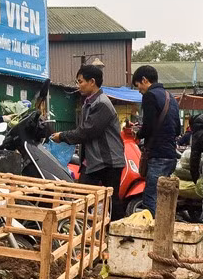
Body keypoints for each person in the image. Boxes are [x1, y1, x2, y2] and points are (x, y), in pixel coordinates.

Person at [50, 64, 125, 219]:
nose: (79, 86)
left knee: (112, 200)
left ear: (92, 81)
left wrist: (63, 136)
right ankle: (88, 232)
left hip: (108, 161)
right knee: (84, 197)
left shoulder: (102, 103)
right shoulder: (89, 102)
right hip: (92, 161)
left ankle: (119, 234)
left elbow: (87, 131)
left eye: (81, 81)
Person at [131, 65, 181, 216]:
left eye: (138, 85)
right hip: (171, 156)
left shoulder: (150, 96)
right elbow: (178, 129)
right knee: (164, 198)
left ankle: (154, 233)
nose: (139, 90)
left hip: (158, 155)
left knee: (150, 198)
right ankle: (164, 229)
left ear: (144, 80)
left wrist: (138, 134)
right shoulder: (169, 96)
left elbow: (149, 126)